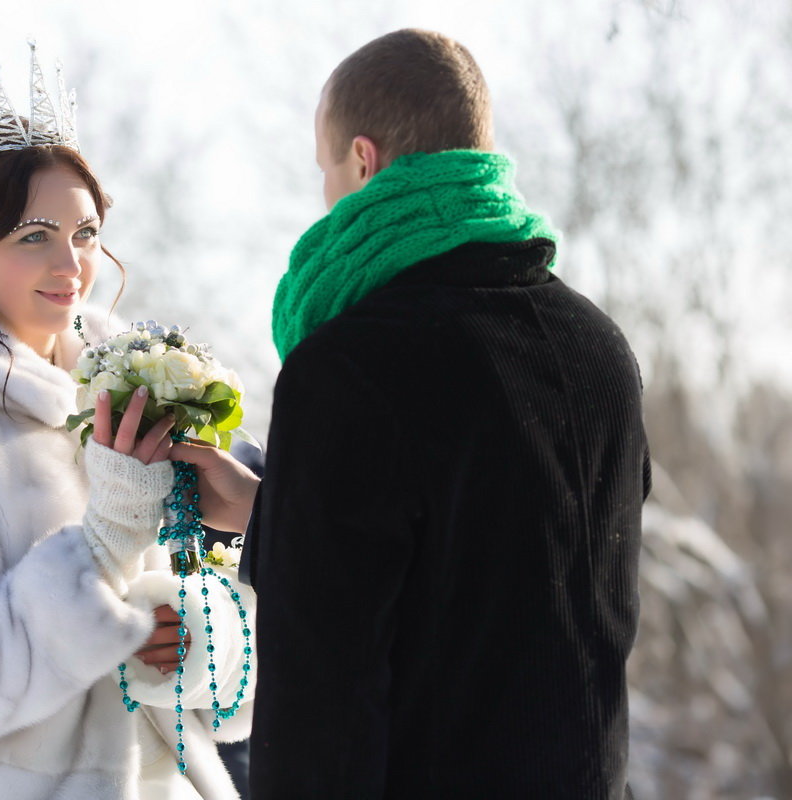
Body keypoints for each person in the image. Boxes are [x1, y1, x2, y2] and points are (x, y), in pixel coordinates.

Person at [172, 29, 650, 798]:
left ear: (363, 161)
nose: (325, 196)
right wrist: (276, 516)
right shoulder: (598, 348)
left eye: (325, 169)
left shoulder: (348, 365)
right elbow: (504, 571)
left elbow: (322, 698)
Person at [0, 56, 253, 800]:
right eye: (36, 235)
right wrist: (110, 533)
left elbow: (227, 695)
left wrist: (187, 632)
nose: (72, 264)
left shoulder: (126, 390)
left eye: (86, 233)